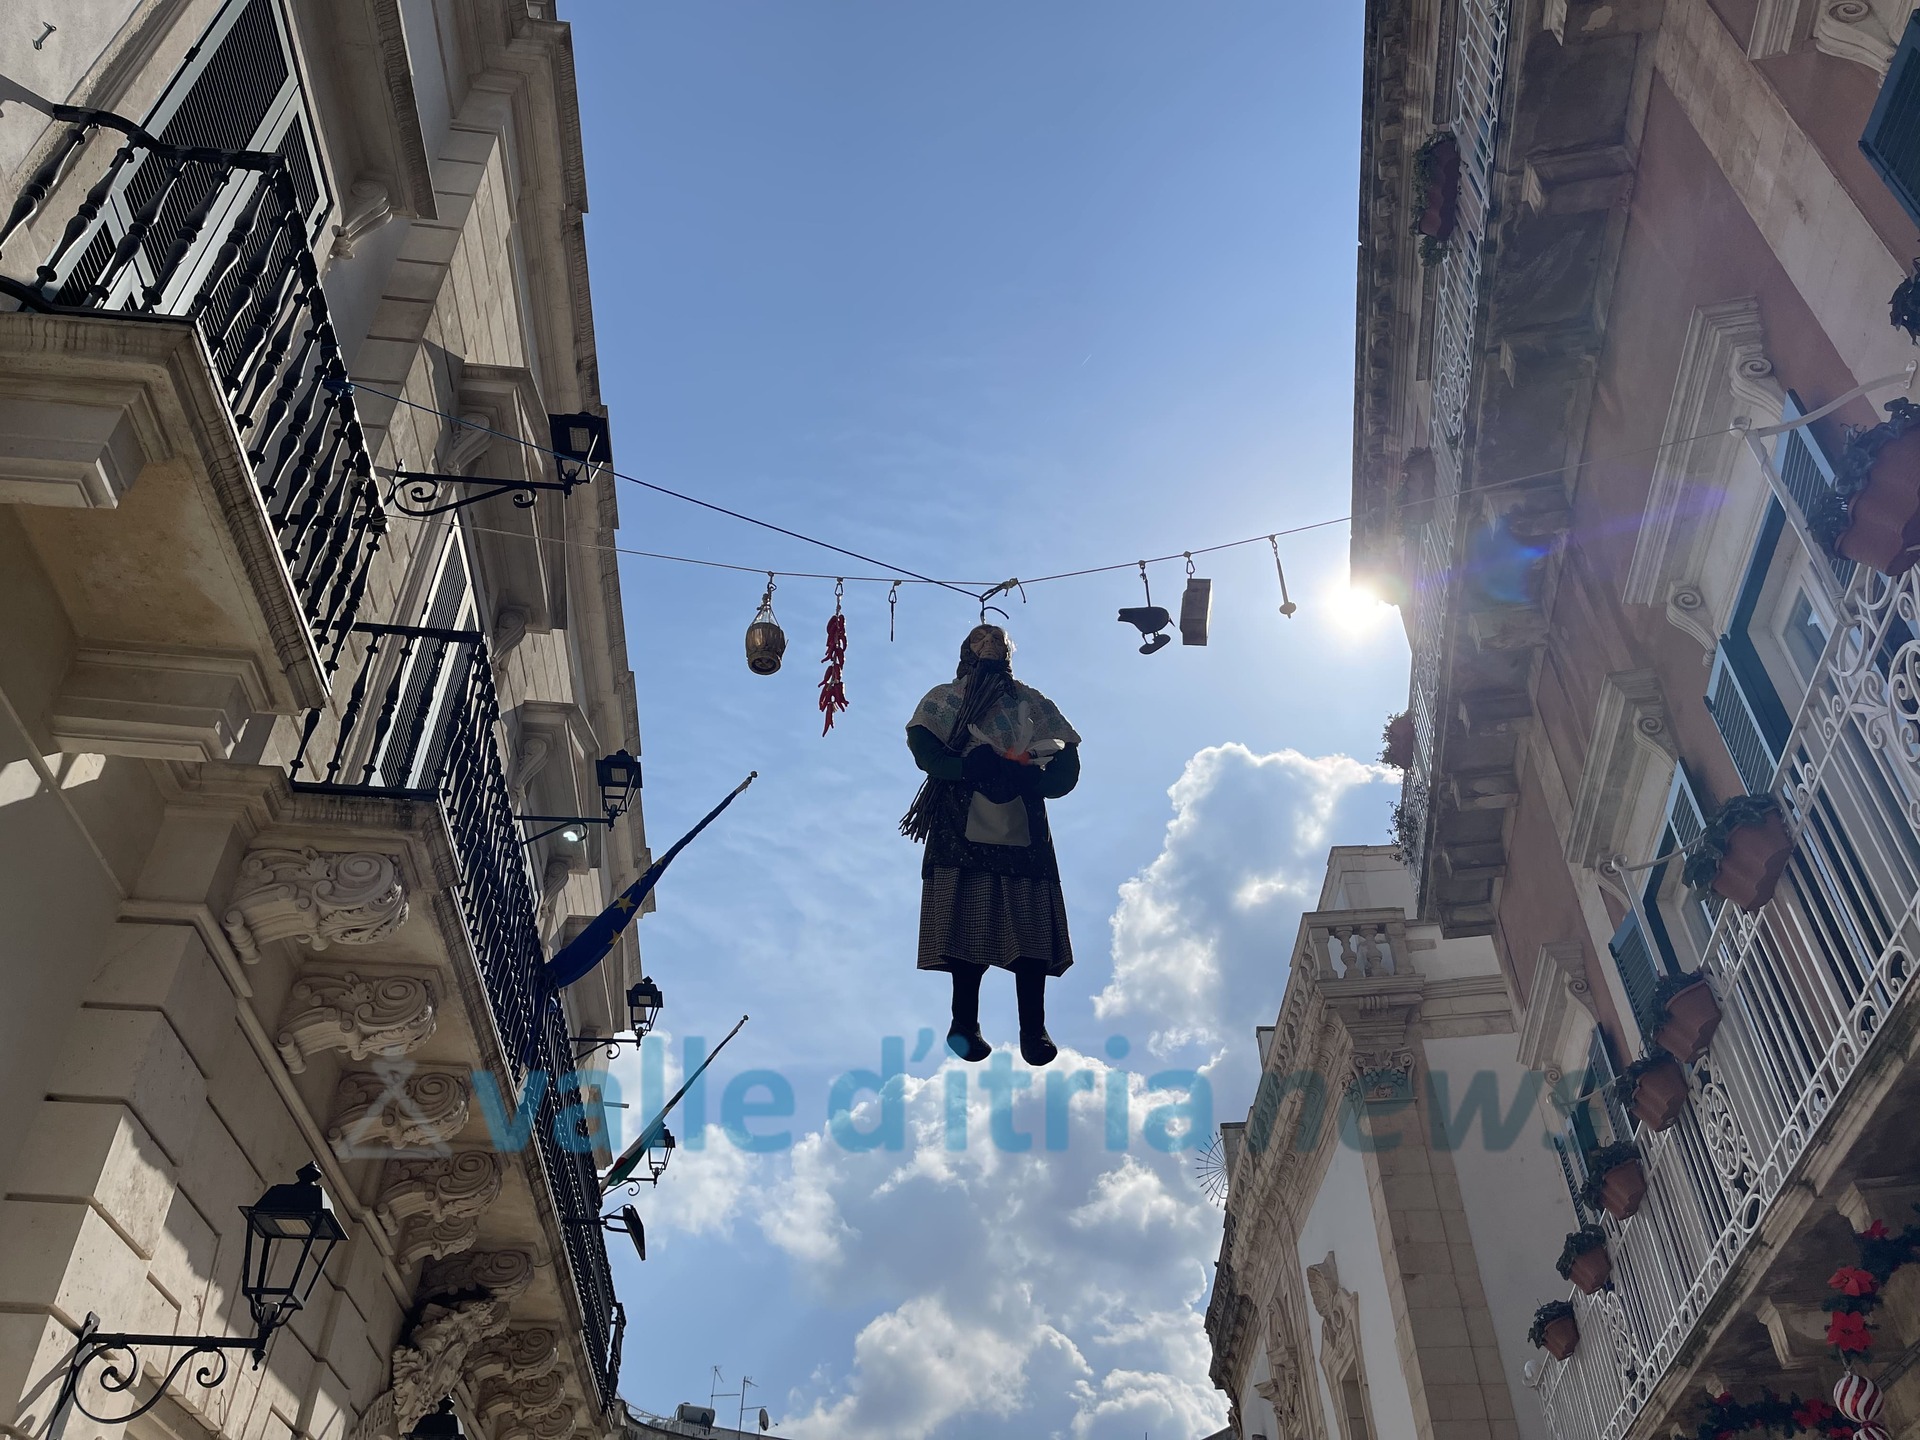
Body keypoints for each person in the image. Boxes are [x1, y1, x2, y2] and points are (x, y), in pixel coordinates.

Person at [901, 624, 1081, 1065]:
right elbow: (923, 744)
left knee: (1029, 927)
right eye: (981, 640)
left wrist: (1036, 779)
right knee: (965, 921)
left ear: (1008, 651)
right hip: (959, 821)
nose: (990, 645)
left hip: (1023, 822)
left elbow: (1067, 759)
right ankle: (964, 1023)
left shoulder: (1032, 703)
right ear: (966, 649)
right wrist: (959, 768)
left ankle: (1033, 1028)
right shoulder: (945, 699)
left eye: (997, 640)